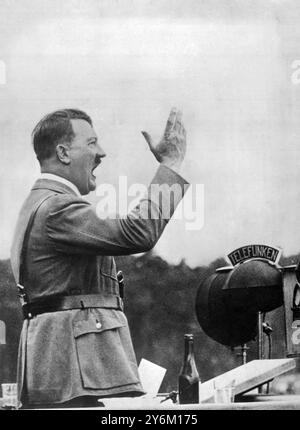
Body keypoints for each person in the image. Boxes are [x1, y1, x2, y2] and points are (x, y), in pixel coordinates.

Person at [10, 107, 189, 408]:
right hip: (72, 374)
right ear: (64, 153)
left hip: (63, 370)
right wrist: (171, 164)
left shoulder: (39, 203)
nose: (102, 152)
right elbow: (139, 232)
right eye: (92, 143)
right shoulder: (57, 208)